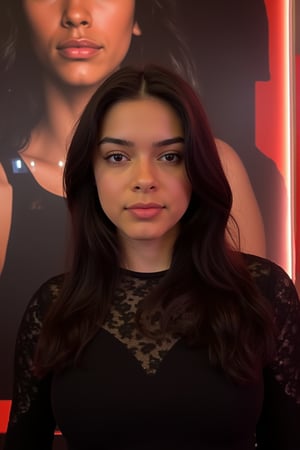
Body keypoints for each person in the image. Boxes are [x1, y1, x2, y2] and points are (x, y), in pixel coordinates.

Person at [4, 65, 300, 450]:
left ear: (197, 168)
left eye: (170, 156)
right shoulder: (52, 308)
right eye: (117, 157)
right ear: (90, 173)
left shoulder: (264, 291)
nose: (144, 179)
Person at [0, 0, 265, 402]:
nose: (76, 13)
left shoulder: (217, 167)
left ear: (140, 14)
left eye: (170, 158)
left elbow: (257, 367)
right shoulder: (5, 187)